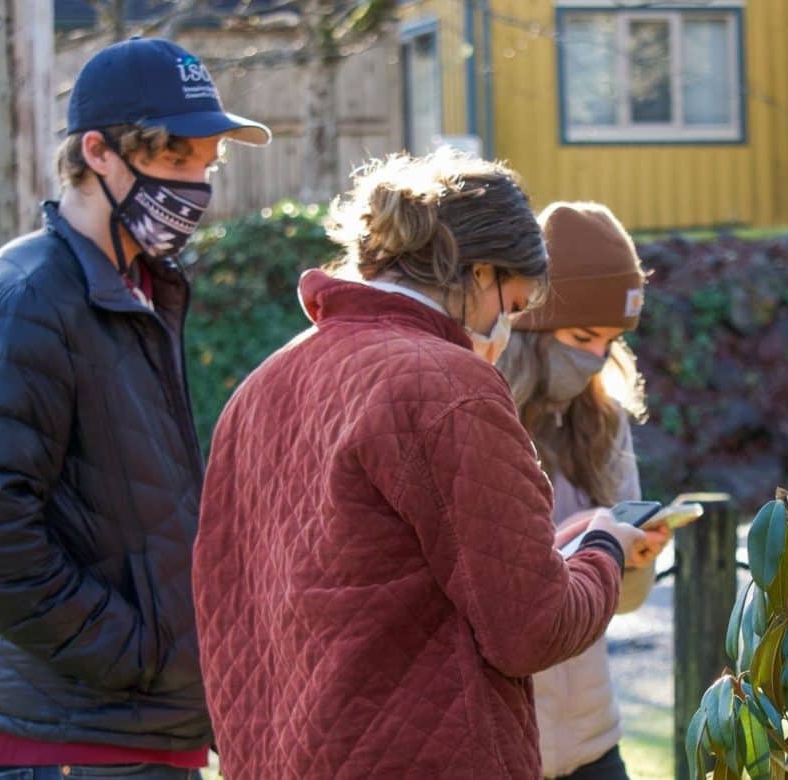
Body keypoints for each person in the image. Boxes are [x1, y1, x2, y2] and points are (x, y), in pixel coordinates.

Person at [192, 151, 646, 779]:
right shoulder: (449, 384)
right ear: (481, 273)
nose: (505, 328)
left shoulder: (259, 388)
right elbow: (533, 628)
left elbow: (232, 602)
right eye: (512, 305)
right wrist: (603, 550)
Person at [0, 37, 270, 780]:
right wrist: (138, 655)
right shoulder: (27, 296)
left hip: (143, 738)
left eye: (205, 165)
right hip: (68, 748)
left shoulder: (141, 288)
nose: (194, 186)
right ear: (96, 152)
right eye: (173, 159)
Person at [497, 201, 668, 780]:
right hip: (505, 745)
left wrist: (632, 557)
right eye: (583, 336)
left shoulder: (605, 421)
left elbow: (625, 602)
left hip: (593, 739)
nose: (596, 359)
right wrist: (584, 543)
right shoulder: (478, 422)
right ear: (528, 327)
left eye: (611, 341)